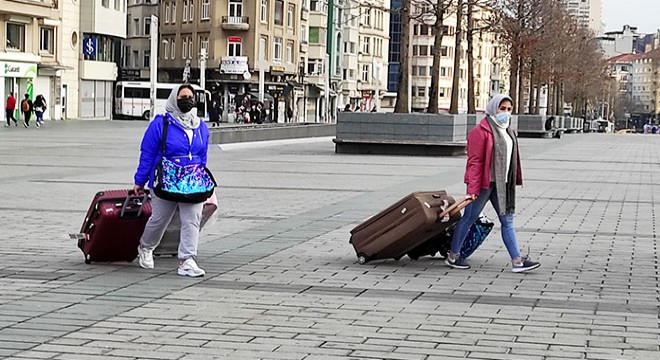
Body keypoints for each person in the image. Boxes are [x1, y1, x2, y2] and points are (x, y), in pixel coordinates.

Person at [446, 94, 540, 273]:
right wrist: (472, 189)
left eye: (509, 109)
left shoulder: (509, 130)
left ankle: (517, 261)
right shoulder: (479, 131)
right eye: (502, 108)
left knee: (507, 221)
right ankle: (453, 256)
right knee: (468, 219)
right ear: (493, 108)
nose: (505, 113)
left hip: (502, 185)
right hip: (484, 184)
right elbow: (474, 162)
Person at [133, 84, 211, 277]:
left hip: (192, 182)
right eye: (182, 97)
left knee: (192, 220)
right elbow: (148, 154)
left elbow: (202, 155)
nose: (187, 101)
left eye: (190, 97)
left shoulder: (201, 126)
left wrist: (201, 177)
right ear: (174, 99)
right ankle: (146, 246)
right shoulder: (160, 124)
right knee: (160, 219)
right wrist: (140, 180)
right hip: (166, 181)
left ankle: (187, 259)